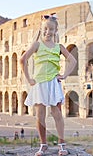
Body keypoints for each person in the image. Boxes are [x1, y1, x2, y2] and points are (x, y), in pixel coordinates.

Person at [20, 13, 77, 156]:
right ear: (41, 29)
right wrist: (29, 79)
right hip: (39, 83)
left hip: (53, 83)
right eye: (45, 29)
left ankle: (62, 144)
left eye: (51, 29)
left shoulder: (59, 46)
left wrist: (64, 75)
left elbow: (73, 61)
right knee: (40, 115)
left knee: (56, 113)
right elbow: (23, 60)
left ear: (55, 30)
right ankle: (43, 145)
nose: (47, 32)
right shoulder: (37, 45)